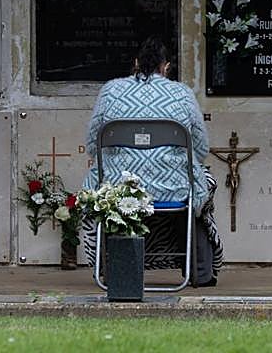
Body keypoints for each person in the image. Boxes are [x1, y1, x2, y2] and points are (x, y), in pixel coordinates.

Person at [82, 36, 223, 286]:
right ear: (165, 67)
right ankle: (200, 272)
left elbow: (93, 143)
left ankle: (112, 269)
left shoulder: (111, 90)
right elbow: (200, 148)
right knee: (200, 189)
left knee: (100, 183)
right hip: (174, 188)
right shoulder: (182, 93)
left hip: (120, 188)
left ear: (136, 63)